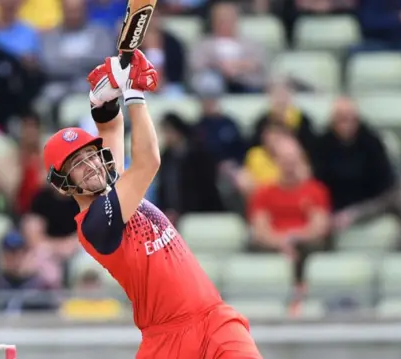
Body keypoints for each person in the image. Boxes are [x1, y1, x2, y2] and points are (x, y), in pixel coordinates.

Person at [43, 50, 261, 359]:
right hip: (166, 340)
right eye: (77, 163)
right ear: (62, 182)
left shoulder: (113, 185)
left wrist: (101, 100)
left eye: (91, 154)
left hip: (215, 320)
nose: (91, 164)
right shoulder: (95, 225)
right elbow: (147, 162)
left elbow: (110, 129)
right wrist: (133, 92)